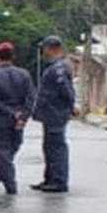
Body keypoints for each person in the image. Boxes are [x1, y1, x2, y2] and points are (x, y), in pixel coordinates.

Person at [0, 42, 35, 195]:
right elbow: (31, 98)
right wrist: (23, 116)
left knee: (3, 152)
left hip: (2, 119)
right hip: (19, 119)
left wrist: (12, 113)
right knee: (11, 150)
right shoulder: (24, 75)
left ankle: (10, 185)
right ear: (13, 56)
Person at [31, 35, 78, 193]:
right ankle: (50, 178)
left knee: (57, 147)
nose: (43, 51)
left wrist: (72, 105)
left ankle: (59, 180)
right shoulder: (55, 66)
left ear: (52, 48)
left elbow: (65, 90)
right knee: (49, 147)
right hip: (50, 113)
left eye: (44, 48)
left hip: (56, 112)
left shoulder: (59, 68)